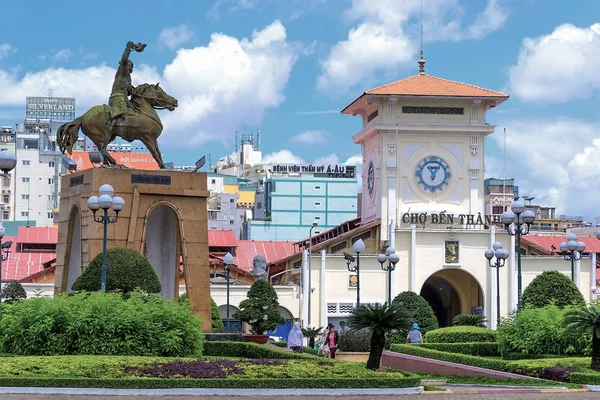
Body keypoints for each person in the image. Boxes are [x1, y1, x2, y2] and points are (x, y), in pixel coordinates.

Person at [109, 41, 146, 126]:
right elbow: (124, 60)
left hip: (124, 98)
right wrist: (128, 49)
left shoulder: (128, 78)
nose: (132, 65)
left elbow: (129, 91)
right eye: (131, 64)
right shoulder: (123, 72)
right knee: (121, 115)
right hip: (118, 98)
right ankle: (113, 125)